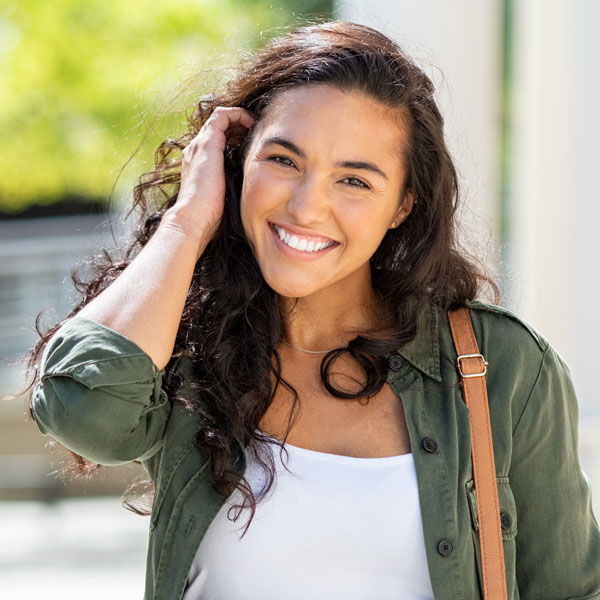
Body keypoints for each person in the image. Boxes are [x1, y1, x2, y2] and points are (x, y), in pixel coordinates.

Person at [25, 19, 599, 600]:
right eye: (283, 160)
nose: (306, 207)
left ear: (403, 205)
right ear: (236, 161)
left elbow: (570, 588)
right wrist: (189, 219)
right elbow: (82, 412)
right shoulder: (186, 344)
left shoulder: (499, 365)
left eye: (354, 179)